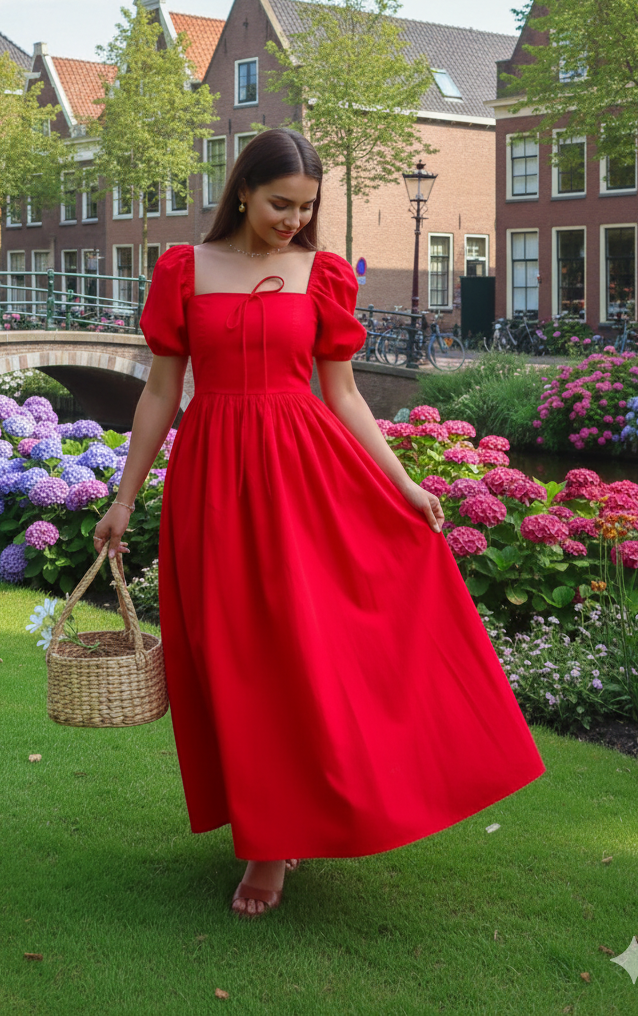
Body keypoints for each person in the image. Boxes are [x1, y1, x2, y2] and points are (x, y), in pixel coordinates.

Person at [93, 128, 546, 919]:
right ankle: (268, 837)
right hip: (212, 479)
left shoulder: (323, 275)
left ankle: (295, 829)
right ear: (242, 191)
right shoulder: (183, 271)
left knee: (308, 645)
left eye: (306, 208)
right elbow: (162, 392)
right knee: (237, 654)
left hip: (305, 474)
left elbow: (342, 395)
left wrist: (403, 482)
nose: (292, 222)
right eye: (279, 205)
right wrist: (124, 497)